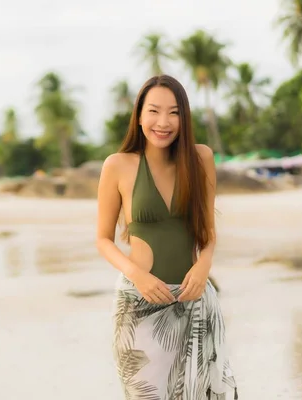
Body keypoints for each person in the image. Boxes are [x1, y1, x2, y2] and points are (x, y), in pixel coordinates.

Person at [96, 75, 238, 399]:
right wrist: (138, 276)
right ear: (139, 115)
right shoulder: (117, 165)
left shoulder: (200, 159)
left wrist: (204, 266)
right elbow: (103, 239)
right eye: (154, 111)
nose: (163, 122)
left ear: (184, 118)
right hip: (139, 304)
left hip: (195, 302)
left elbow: (208, 232)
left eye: (173, 113)